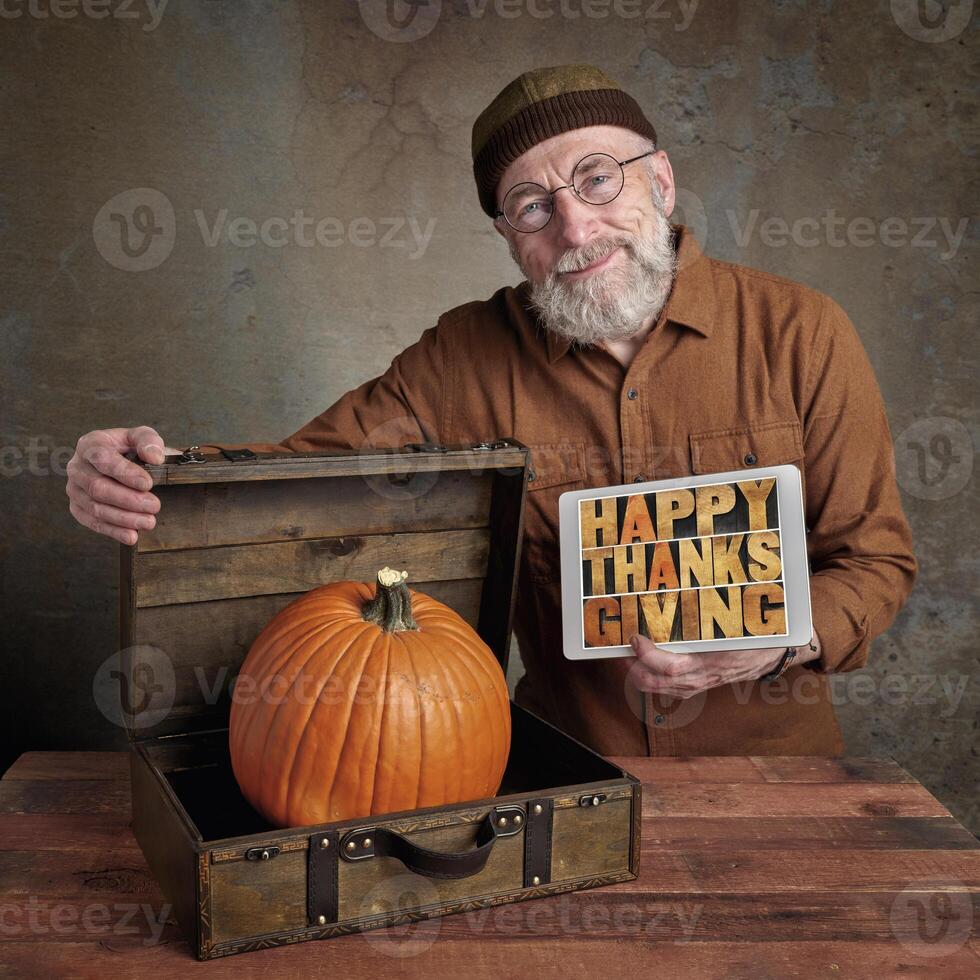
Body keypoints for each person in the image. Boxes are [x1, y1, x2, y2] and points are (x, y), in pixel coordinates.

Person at [66, 64, 916, 756]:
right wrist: (149, 475)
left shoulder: (802, 332)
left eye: (597, 179)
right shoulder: (462, 357)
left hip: (780, 781)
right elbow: (300, 478)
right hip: (563, 768)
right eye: (533, 206)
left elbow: (874, 562)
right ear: (509, 235)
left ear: (659, 180)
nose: (575, 229)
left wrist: (780, 639)